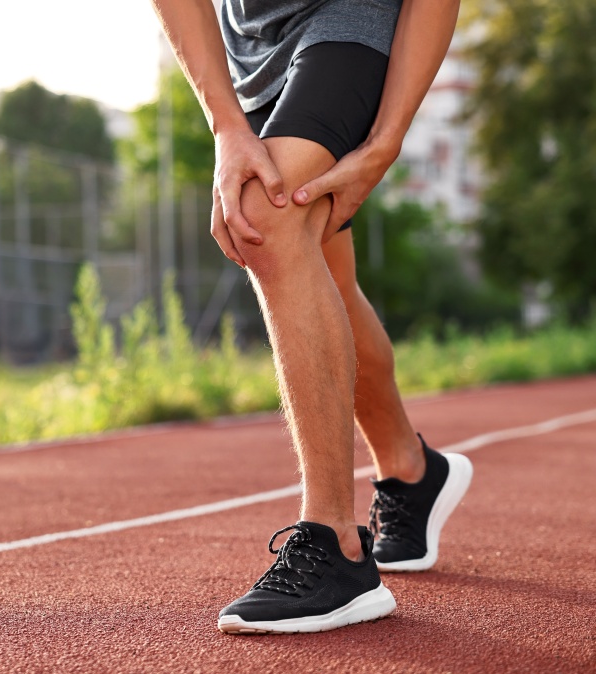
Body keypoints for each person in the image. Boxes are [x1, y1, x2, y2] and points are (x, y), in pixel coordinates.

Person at [149, 0, 473, 634]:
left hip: (351, 20)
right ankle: (410, 469)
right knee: (328, 281)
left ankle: (336, 549)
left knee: (264, 218)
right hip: (248, 45)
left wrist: (387, 138)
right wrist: (225, 125)